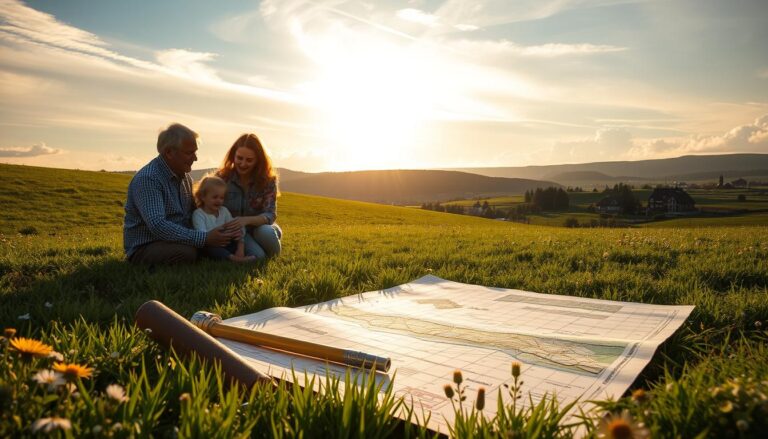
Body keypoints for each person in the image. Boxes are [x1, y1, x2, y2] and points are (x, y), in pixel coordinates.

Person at [124, 123, 241, 265]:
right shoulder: (149, 179)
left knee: (209, 246)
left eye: (195, 152)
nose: (195, 158)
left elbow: (194, 213)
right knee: (188, 253)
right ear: (169, 153)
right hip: (148, 245)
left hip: (176, 240)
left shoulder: (185, 178)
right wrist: (204, 238)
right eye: (189, 153)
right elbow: (158, 225)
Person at [216, 133, 282, 260]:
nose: (243, 164)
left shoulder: (268, 180)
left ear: (258, 160)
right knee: (258, 256)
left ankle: (273, 252)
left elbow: (270, 215)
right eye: (239, 158)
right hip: (236, 233)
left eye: (249, 160)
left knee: (266, 233)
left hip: (260, 228)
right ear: (233, 156)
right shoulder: (222, 178)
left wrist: (246, 220)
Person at [192, 175, 255, 263]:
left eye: (221, 198)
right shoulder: (199, 214)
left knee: (237, 237)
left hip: (226, 243)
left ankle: (240, 252)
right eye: (215, 197)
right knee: (211, 249)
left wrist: (239, 241)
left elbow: (235, 225)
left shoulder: (224, 211)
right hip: (210, 245)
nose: (219, 200)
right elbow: (202, 235)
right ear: (203, 197)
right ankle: (234, 259)